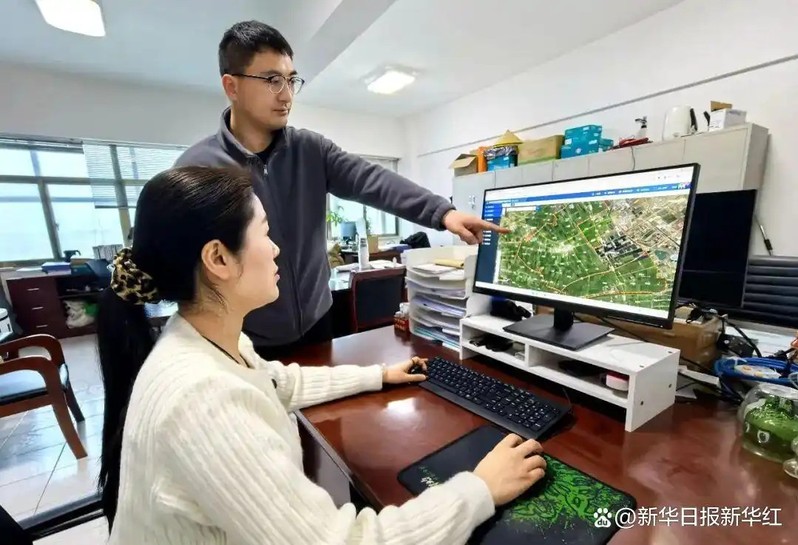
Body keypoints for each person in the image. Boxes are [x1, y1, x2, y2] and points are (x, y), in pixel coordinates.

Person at [96, 166, 546, 545]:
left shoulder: (203, 340)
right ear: (218, 259)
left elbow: (279, 383)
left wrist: (379, 375)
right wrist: (480, 488)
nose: (276, 249)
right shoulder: (204, 401)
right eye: (265, 232)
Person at [175, 21, 508, 360]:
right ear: (232, 86)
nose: (286, 95)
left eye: (291, 80)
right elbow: (184, 268)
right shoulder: (197, 169)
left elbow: (372, 180)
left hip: (318, 324)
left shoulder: (310, 150)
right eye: (272, 80)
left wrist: (443, 213)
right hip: (243, 340)